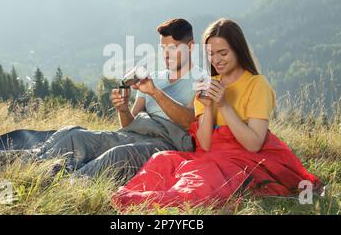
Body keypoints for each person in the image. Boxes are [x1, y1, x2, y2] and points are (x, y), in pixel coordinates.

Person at [112, 18, 322, 209]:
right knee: (162, 159)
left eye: (223, 53)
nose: (217, 60)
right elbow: (204, 144)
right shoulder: (207, 85)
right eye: (211, 54)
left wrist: (223, 105)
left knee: (197, 184)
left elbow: (254, 144)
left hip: (244, 158)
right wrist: (208, 107)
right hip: (210, 154)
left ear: (238, 50)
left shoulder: (257, 85)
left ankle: (148, 202)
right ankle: (134, 198)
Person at [0, 18, 201, 183]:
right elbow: (129, 123)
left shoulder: (199, 79)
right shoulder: (154, 78)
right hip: (133, 135)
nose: (167, 54)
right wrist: (122, 108)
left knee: (115, 156)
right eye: (163, 48)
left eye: (174, 48)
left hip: (165, 146)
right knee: (74, 135)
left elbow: (189, 122)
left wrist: (156, 94)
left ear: (190, 46)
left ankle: (54, 184)